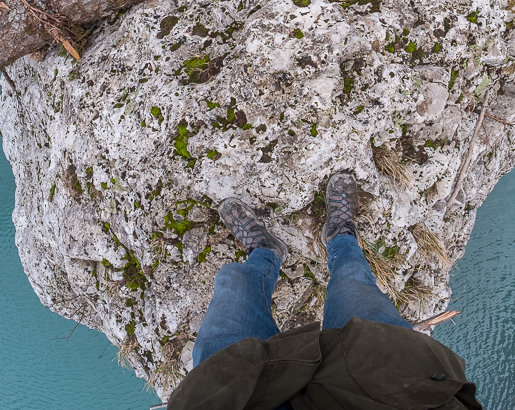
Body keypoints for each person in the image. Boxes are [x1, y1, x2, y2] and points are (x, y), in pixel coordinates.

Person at [167, 172, 482, 409]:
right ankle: (340, 237)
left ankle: (265, 253)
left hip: (234, 397)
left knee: (234, 288)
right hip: (385, 388)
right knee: (354, 282)